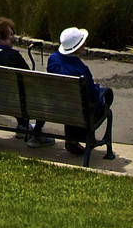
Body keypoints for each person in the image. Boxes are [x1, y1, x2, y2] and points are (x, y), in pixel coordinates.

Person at [0, 17, 46, 145]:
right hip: (10, 102)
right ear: (2, 38)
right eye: (11, 34)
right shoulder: (13, 55)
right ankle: (34, 132)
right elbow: (29, 78)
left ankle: (23, 125)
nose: (13, 37)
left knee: (11, 91)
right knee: (29, 92)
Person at [46, 26, 113, 155]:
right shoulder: (80, 69)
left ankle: (72, 140)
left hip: (58, 107)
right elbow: (93, 97)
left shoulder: (53, 59)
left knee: (71, 100)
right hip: (79, 112)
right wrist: (98, 90)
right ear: (77, 47)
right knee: (103, 99)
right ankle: (79, 138)